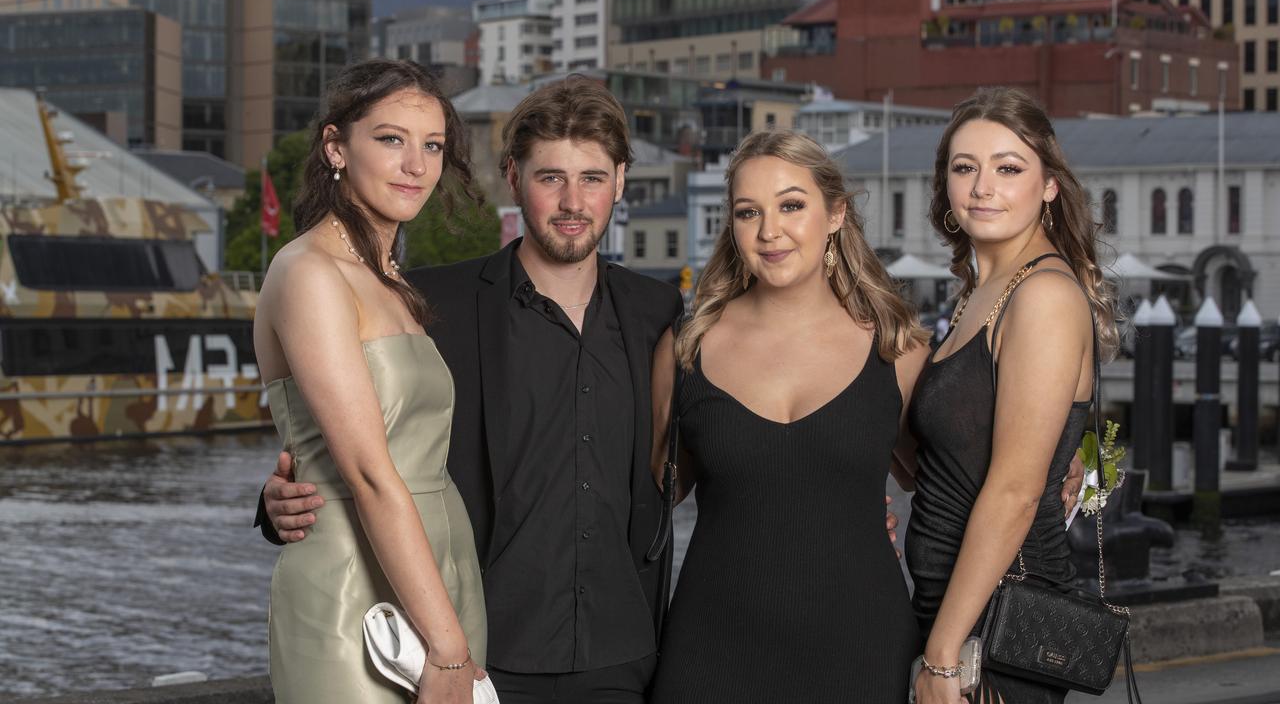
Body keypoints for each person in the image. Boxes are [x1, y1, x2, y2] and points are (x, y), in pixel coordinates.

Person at [259, 75, 684, 704]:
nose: (572, 202)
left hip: (621, 650)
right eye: (549, 178)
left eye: (592, 178)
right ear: (512, 178)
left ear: (620, 182)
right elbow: (356, 438)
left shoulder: (659, 313)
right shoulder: (433, 302)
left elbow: (705, 452)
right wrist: (278, 505)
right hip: (471, 643)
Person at [646, 129, 931, 702]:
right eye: (748, 212)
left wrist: (1062, 454)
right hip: (713, 650)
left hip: (862, 648)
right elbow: (648, 496)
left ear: (835, 214)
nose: (769, 231)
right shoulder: (686, 347)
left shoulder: (897, 350)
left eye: (791, 205)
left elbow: (951, 485)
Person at [252, 59, 488, 703]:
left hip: (442, 576)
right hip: (350, 590)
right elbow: (365, 471)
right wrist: (446, 649)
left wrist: (451, 630)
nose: (416, 164)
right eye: (391, 139)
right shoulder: (308, 273)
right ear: (336, 147)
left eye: (432, 145)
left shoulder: (396, 284)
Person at [904, 87, 1114, 704]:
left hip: (994, 621)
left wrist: (943, 657)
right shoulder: (981, 292)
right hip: (952, 605)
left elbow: (1017, 491)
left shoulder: (1042, 296)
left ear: (1049, 185)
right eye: (964, 168)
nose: (981, 187)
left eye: (1008, 168)